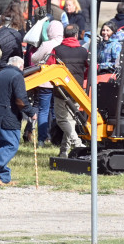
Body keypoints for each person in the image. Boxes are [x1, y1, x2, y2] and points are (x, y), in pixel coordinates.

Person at [0, 56, 37, 186]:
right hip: (8, 116)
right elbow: (20, 99)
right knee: (11, 145)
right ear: (21, 66)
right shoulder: (17, 76)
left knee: (0, 146)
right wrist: (31, 112)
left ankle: (3, 177)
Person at [50, 24, 89, 157]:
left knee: (62, 120)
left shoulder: (57, 50)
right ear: (76, 35)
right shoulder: (84, 51)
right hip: (76, 90)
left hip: (61, 90)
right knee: (71, 121)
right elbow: (90, 69)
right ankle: (63, 152)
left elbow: (50, 68)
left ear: (64, 35)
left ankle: (77, 143)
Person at [29, 19, 64, 145]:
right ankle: (56, 138)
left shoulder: (47, 44)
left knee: (43, 110)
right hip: (60, 83)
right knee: (56, 111)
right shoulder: (63, 43)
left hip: (45, 82)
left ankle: (41, 139)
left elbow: (34, 58)